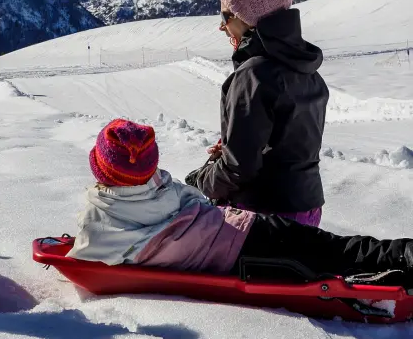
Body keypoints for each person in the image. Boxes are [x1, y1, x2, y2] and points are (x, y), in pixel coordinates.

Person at [69, 119, 413, 284]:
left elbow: (83, 259)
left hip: (241, 254)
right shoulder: (165, 188)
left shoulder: (99, 221)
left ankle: (399, 267)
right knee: (338, 248)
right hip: (247, 224)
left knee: (331, 260)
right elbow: (197, 202)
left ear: (98, 169)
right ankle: (403, 253)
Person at [185, 0, 328, 226]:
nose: (222, 27)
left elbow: (239, 169)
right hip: (307, 208)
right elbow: (286, 144)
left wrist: (201, 180)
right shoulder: (306, 68)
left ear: (246, 18)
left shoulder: (253, 75)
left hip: (264, 214)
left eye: (226, 17)